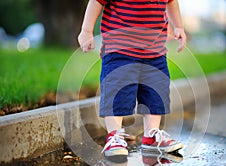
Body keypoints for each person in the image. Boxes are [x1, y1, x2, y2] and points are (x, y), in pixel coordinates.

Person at [78, 0, 187, 157]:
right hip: (120, 49)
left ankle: (151, 136)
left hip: (155, 51)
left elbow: (172, 2)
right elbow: (96, 1)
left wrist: (179, 26)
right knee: (118, 93)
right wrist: (86, 30)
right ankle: (114, 136)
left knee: (155, 94)